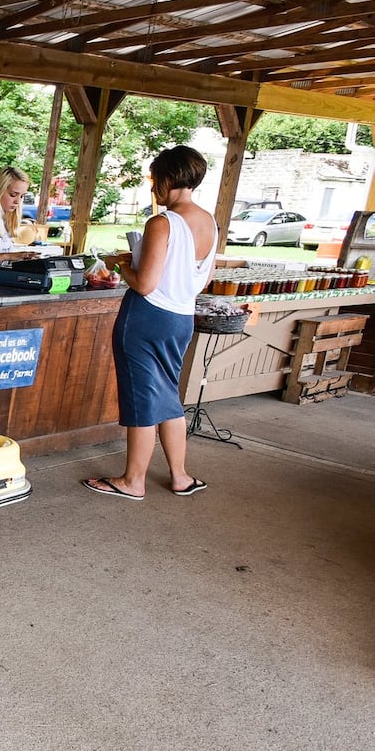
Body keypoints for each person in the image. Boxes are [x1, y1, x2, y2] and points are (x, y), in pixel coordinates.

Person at [83, 145, 217, 500]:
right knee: (168, 395)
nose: (152, 186)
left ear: (168, 177)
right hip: (181, 317)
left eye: (154, 178)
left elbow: (145, 284)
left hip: (147, 318)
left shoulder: (162, 221)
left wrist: (121, 265)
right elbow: (200, 278)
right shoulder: (209, 221)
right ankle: (180, 476)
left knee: (141, 398)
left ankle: (133, 481)